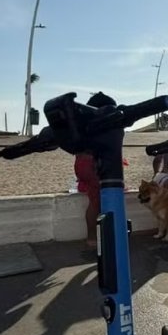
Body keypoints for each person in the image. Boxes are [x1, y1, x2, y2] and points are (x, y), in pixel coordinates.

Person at [74, 92, 116, 248]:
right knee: (96, 203)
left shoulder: (83, 123)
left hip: (86, 163)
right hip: (91, 164)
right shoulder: (95, 123)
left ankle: (96, 237)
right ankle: (92, 238)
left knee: (97, 201)